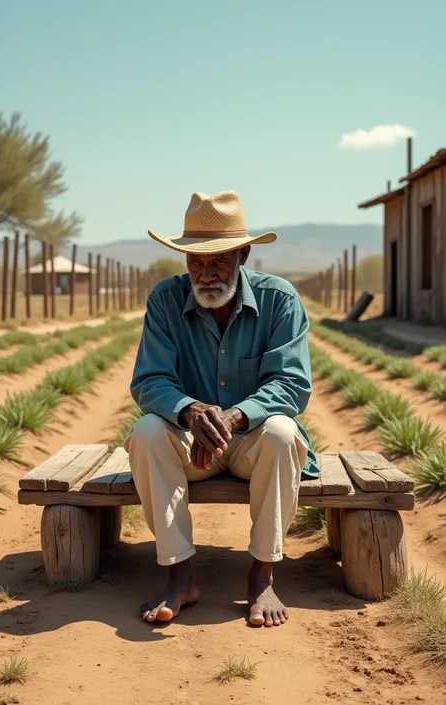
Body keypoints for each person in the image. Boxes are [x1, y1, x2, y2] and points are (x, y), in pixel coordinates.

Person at [124, 190, 318, 628]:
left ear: (243, 255)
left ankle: (262, 577)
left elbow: (292, 383)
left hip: (253, 443)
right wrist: (191, 410)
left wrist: (234, 415)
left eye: (218, 261)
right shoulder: (165, 300)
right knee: (148, 432)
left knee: (284, 432)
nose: (205, 274)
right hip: (193, 443)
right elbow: (149, 379)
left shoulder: (279, 299)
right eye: (195, 261)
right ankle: (180, 576)